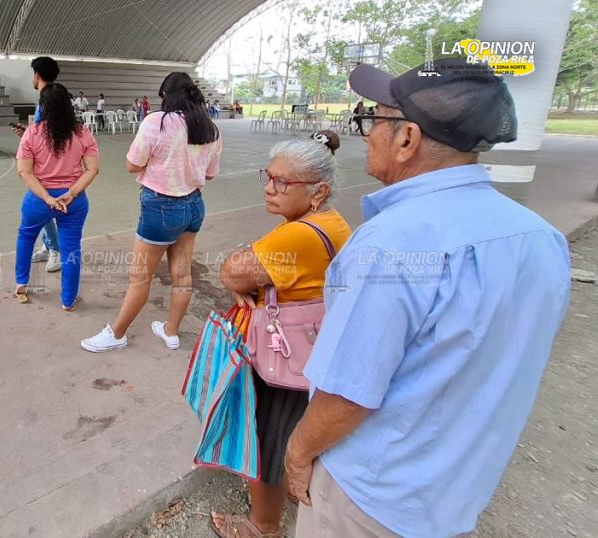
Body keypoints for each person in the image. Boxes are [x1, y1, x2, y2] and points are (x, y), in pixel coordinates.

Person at [283, 59, 570, 538]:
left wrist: (296, 455)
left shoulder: (391, 245)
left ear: (407, 139)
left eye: (373, 119)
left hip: (371, 498)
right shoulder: (540, 238)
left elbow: (348, 391)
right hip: (457, 495)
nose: (367, 132)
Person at [209, 131, 351, 538]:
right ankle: (288, 496)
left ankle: (263, 525)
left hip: (282, 356)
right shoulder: (330, 221)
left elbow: (232, 270)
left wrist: (242, 270)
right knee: (293, 430)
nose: (270, 189)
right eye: (267, 177)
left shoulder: (297, 235)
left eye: (282, 183)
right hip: (312, 349)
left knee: (267, 439)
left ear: (318, 191)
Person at [81, 72, 222, 352]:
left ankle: (117, 333)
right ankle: (171, 331)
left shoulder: (156, 122)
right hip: (194, 206)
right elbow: (210, 174)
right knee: (182, 275)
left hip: (160, 207)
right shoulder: (210, 128)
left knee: (140, 276)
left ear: (165, 96)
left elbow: (132, 164)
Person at [14, 83, 99, 311]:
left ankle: (21, 284)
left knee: (26, 236)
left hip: (38, 200)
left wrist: (47, 197)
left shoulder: (32, 133)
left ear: (43, 107)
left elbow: (25, 171)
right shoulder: (82, 132)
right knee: (71, 248)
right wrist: (71, 193)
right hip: (74, 201)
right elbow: (92, 169)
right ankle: (68, 300)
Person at [12, 56, 63, 273]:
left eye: (33, 73)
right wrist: (28, 134)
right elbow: (45, 132)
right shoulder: (50, 98)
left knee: (44, 206)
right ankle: (49, 245)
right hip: (45, 161)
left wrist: (30, 139)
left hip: (47, 166)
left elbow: (50, 135)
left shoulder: (48, 100)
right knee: (44, 207)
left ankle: (56, 250)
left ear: (37, 74)